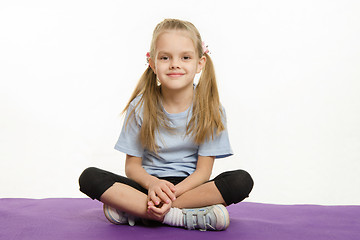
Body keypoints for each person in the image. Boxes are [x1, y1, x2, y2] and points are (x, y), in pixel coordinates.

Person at [79, 18, 253, 231]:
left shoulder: (211, 109)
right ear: (152, 63)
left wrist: (172, 195)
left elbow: (203, 173)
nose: (175, 64)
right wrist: (154, 185)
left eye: (185, 57)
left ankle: (141, 211)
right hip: (147, 186)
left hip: (189, 189)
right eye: (165, 57)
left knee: (240, 181)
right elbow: (132, 167)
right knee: (89, 177)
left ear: (200, 63)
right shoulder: (140, 107)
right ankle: (179, 216)